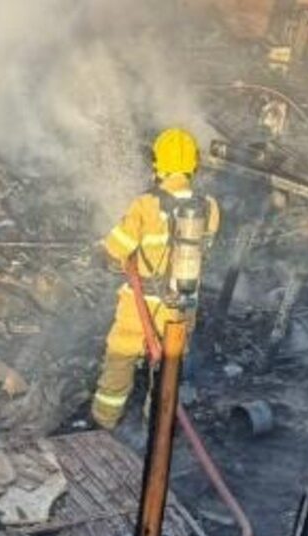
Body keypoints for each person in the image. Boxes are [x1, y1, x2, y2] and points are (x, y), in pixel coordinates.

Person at [91, 128, 221, 430]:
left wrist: (102, 252)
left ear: (157, 164)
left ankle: (104, 420)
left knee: (120, 357)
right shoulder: (209, 207)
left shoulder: (145, 204)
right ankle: (156, 425)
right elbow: (206, 247)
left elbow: (117, 248)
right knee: (168, 368)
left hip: (141, 305)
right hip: (182, 302)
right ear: (194, 165)